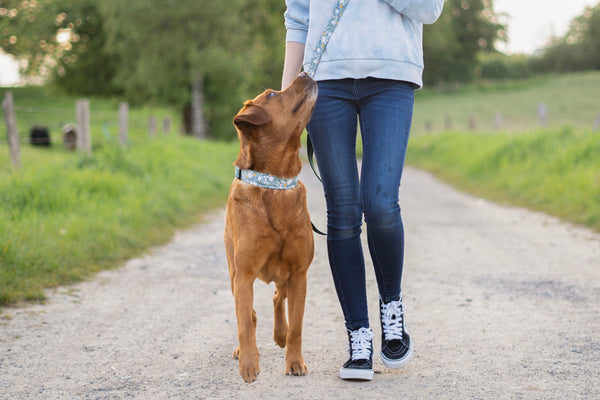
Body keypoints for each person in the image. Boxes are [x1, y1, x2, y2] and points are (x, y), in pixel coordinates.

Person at [282, 0, 444, 381]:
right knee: (342, 212)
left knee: (381, 202)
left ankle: (392, 308)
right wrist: (287, 102)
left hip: (392, 76)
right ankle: (358, 336)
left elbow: (430, 9)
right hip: (325, 80)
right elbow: (299, 19)